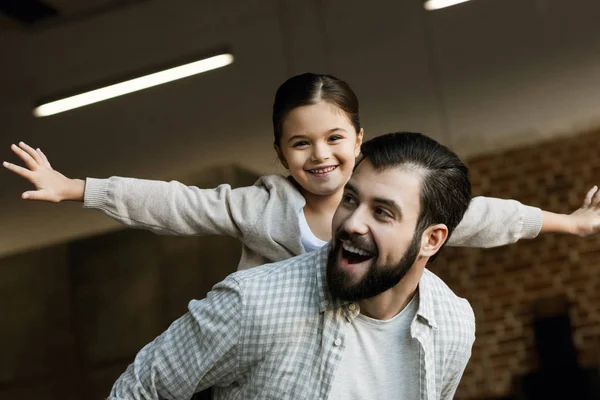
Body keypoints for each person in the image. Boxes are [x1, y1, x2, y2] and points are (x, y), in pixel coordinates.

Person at [106, 132, 600, 400]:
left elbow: (497, 216)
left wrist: (571, 223)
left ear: (432, 239)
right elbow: (138, 390)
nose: (351, 223)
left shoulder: (454, 322)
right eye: (350, 200)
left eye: (382, 212)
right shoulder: (251, 302)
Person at [3, 74, 599, 272]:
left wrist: (568, 225)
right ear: (280, 153)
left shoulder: (389, 201)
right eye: (301, 144)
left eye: (335, 138)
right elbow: (176, 203)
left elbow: (475, 215)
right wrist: (77, 188)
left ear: (359, 141)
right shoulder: (258, 210)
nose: (321, 155)